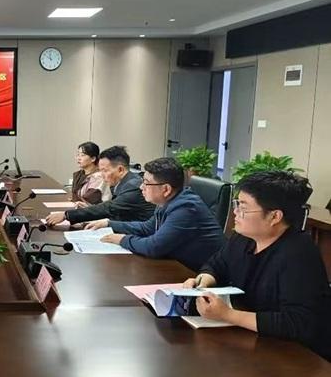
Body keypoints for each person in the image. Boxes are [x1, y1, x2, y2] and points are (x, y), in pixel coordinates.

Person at [182, 171, 331, 361]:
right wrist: (202, 282)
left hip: (298, 356)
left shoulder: (298, 254)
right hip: (254, 340)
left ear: (274, 216)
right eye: (236, 204)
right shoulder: (243, 238)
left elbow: (297, 322)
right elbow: (216, 265)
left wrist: (228, 315)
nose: (235, 212)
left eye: (243, 207)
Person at [84, 157, 225, 271]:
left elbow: (154, 247)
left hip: (200, 276)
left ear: (166, 189)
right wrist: (109, 223)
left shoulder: (186, 208)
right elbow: (148, 228)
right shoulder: (167, 201)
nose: (141, 187)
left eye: (146, 183)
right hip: (177, 266)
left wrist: (122, 240)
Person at [46, 146, 154, 226]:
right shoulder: (120, 183)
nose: (102, 175)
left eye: (105, 171)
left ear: (120, 170)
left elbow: (109, 208)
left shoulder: (133, 186)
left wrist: (66, 215)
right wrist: (90, 208)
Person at [70, 142, 111, 208]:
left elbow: (88, 200)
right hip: (81, 209)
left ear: (93, 158)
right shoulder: (79, 174)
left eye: (82, 155)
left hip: (96, 211)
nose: (78, 158)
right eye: (78, 155)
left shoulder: (99, 177)